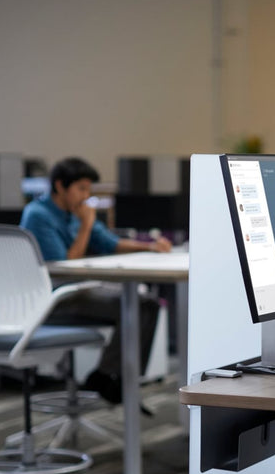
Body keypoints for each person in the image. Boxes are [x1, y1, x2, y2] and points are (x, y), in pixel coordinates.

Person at [20, 157, 172, 404]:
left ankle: (116, 378)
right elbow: (66, 267)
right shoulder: (38, 215)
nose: (86, 196)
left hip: (76, 291)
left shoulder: (74, 213)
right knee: (137, 306)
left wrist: (151, 246)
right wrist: (86, 225)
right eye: (81, 189)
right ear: (60, 186)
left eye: (88, 189)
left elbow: (110, 243)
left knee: (148, 304)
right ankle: (109, 377)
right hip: (53, 298)